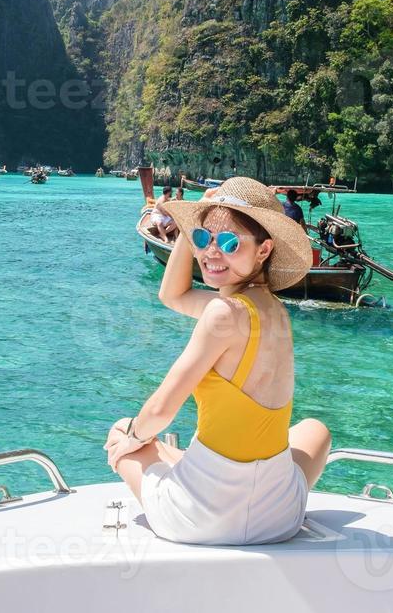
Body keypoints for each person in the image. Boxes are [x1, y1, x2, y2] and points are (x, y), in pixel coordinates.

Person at [104, 176, 331, 545]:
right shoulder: (276, 312)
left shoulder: (222, 314)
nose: (212, 252)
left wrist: (130, 439)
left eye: (229, 242)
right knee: (316, 430)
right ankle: (190, 462)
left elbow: (161, 412)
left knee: (125, 431)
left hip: (203, 519)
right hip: (279, 517)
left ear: (263, 250)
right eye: (203, 239)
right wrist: (191, 226)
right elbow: (173, 295)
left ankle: (166, 459)